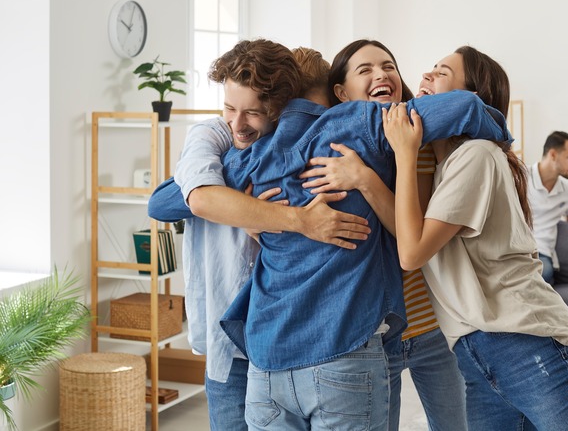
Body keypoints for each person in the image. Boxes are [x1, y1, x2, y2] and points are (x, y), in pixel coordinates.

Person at [150, 39, 513, 430]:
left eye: (252, 111)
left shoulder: (252, 155)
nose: (238, 123)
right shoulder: (360, 125)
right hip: (345, 345)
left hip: (272, 357)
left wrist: (240, 198)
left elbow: (166, 202)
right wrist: (503, 139)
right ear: (335, 91)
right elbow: (466, 106)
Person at [384, 45, 568, 430]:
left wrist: (405, 155)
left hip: (526, 341)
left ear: (469, 100)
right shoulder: (443, 168)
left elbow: (411, 252)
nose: (425, 76)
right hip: (474, 353)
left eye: (441, 73)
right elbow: (406, 229)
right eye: (430, 68)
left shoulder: (477, 155)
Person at [148, 40, 373, 431]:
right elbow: (166, 202)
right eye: (229, 108)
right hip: (230, 343)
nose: (237, 123)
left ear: (278, 109)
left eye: (252, 112)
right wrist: (271, 214)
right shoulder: (214, 137)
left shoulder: (301, 147)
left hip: (290, 335)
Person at [297, 39, 467, 431]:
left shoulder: (417, 141)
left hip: (431, 325)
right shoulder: (329, 151)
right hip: (371, 334)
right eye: (366, 70)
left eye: (388, 66)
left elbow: (414, 236)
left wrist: (365, 179)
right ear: (341, 93)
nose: (382, 74)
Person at [528, 131, 568, 284]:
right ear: (553, 155)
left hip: (542, 254)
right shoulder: (520, 177)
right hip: (514, 251)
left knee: (542, 272)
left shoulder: (567, 191)